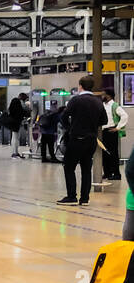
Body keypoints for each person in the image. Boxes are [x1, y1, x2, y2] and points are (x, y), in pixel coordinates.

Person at [58, 74, 106, 206]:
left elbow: (63, 117)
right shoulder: (98, 101)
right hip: (91, 140)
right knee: (86, 169)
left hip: (77, 139)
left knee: (69, 166)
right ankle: (85, 198)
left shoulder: (76, 100)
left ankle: (71, 196)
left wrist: (70, 128)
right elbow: (104, 120)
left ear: (80, 86)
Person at [101, 92, 128, 181]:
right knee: (105, 153)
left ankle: (116, 174)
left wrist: (117, 128)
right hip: (104, 131)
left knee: (113, 153)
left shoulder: (114, 105)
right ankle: (107, 173)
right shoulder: (103, 105)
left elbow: (125, 116)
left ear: (109, 96)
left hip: (111, 131)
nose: (102, 96)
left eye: (104, 94)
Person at [7, 92, 29, 158]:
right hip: (16, 122)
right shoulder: (20, 102)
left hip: (13, 122)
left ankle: (14, 152)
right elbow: (25, 110)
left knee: (14, 137)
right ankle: (15, 153)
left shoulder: (14, 101)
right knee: (16, 138)